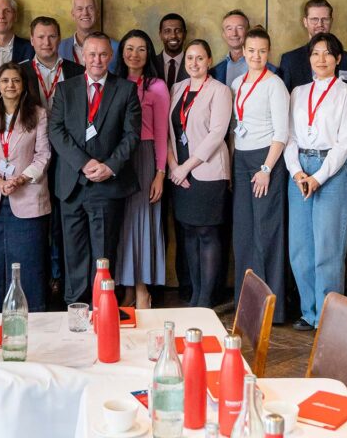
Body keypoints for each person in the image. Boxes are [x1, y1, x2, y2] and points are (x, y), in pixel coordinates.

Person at [48, 32, 141, 304]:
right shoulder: (65, 89)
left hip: (107, 184)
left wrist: (110, 166)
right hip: (72, 185)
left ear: (110, 56)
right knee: (73, 253)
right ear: (82, 56)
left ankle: (101, 307)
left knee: (103, 254)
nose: (97, 60)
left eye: (102, 54)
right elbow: (56, 131)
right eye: (92, 54)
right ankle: (76, 308)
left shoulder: (126, 90)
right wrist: (84, 163)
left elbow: (131, 135)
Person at [283, 33, 347, 330]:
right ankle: (309, 311)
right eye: (316, 53)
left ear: (338, 59)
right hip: (300, 169)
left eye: (328, 53)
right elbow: (289, 136)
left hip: (332, 170)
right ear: (309, 58)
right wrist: (297, 172)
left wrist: (318, 177)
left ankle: (328, 317)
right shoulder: (298, 92)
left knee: (328, 249)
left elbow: (346, 143)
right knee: (300, 249)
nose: (321, 59)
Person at [0, 62, 51, 311]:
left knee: (28, 261)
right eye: (5, 81)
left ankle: (32, 314)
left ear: (24, 85)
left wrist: (21, 179)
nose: (10, 85)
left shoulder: (38, 114)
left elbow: (43, 155)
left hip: (28, 196)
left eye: (16, 80)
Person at [20, 16, 82, 299]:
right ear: (32, 40)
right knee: (37, 219)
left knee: (63, 219)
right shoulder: (19, 71)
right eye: (41, 37)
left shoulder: (77, 71)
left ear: (60, 39)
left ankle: (61, 277)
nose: (47, 42)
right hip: (30, 156)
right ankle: (41, 277)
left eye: (52, 36)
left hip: (67, 154)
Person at [231, 26, 289, 323]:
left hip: (266, 160)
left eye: (262, 51)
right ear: (243, 51)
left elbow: (282, 133)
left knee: (266, 232)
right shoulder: (237, 82)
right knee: (243, 232)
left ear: (269, 53)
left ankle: (271, 310)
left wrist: (266, 169)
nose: (256, 56)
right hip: (241, 159)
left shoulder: (274, 84)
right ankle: (247, 305)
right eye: (251, 50)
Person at [167, 40, 231, 308]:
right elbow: (168, 132)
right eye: (190, 58)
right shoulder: (177, 88)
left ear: (209, 61)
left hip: (207, 172)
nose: (194, 63)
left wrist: (186, 167)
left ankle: (205, 299)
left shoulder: (220, 90)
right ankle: (194, 294)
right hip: (179, 174)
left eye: (200, 58)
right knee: (188, 233)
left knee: (207, 233)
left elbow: (217, 134)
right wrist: (174, 166)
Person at [115, 30, 169, 309]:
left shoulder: (156, 86)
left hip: (145, 157)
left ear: (149, 55)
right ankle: (126, 288)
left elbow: (161, 133)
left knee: (142, 221)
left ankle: (142, 289)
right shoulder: (113, 81)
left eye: (141, 49)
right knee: (123, 224)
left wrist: (160, 173)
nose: (134, 55)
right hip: (117, 159)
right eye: (129, 48)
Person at [278, 0, 347, 91]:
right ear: (305, 22)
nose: (320, 24)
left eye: (325, 19)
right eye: (314, 19)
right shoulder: (290, 60)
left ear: (331, 21)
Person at [210, 9, 278, 87]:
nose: (234, 33)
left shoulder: (273, 71)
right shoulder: (214, 72)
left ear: (248, 32)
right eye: (229, 29)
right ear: (223, 34)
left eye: (240, 28)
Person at [58, 0, 119, 69]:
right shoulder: (59, 48)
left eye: (90, 8)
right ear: (73, 14)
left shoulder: (116, 48)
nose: (85, 13)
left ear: (97, 13)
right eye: (80, 9)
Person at [155, 13, 189, 90]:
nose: (173, 36)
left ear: (185, 34)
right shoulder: (151, 63)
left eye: (178, 31)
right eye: (167, 31)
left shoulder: (193, 65)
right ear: (160, 35)